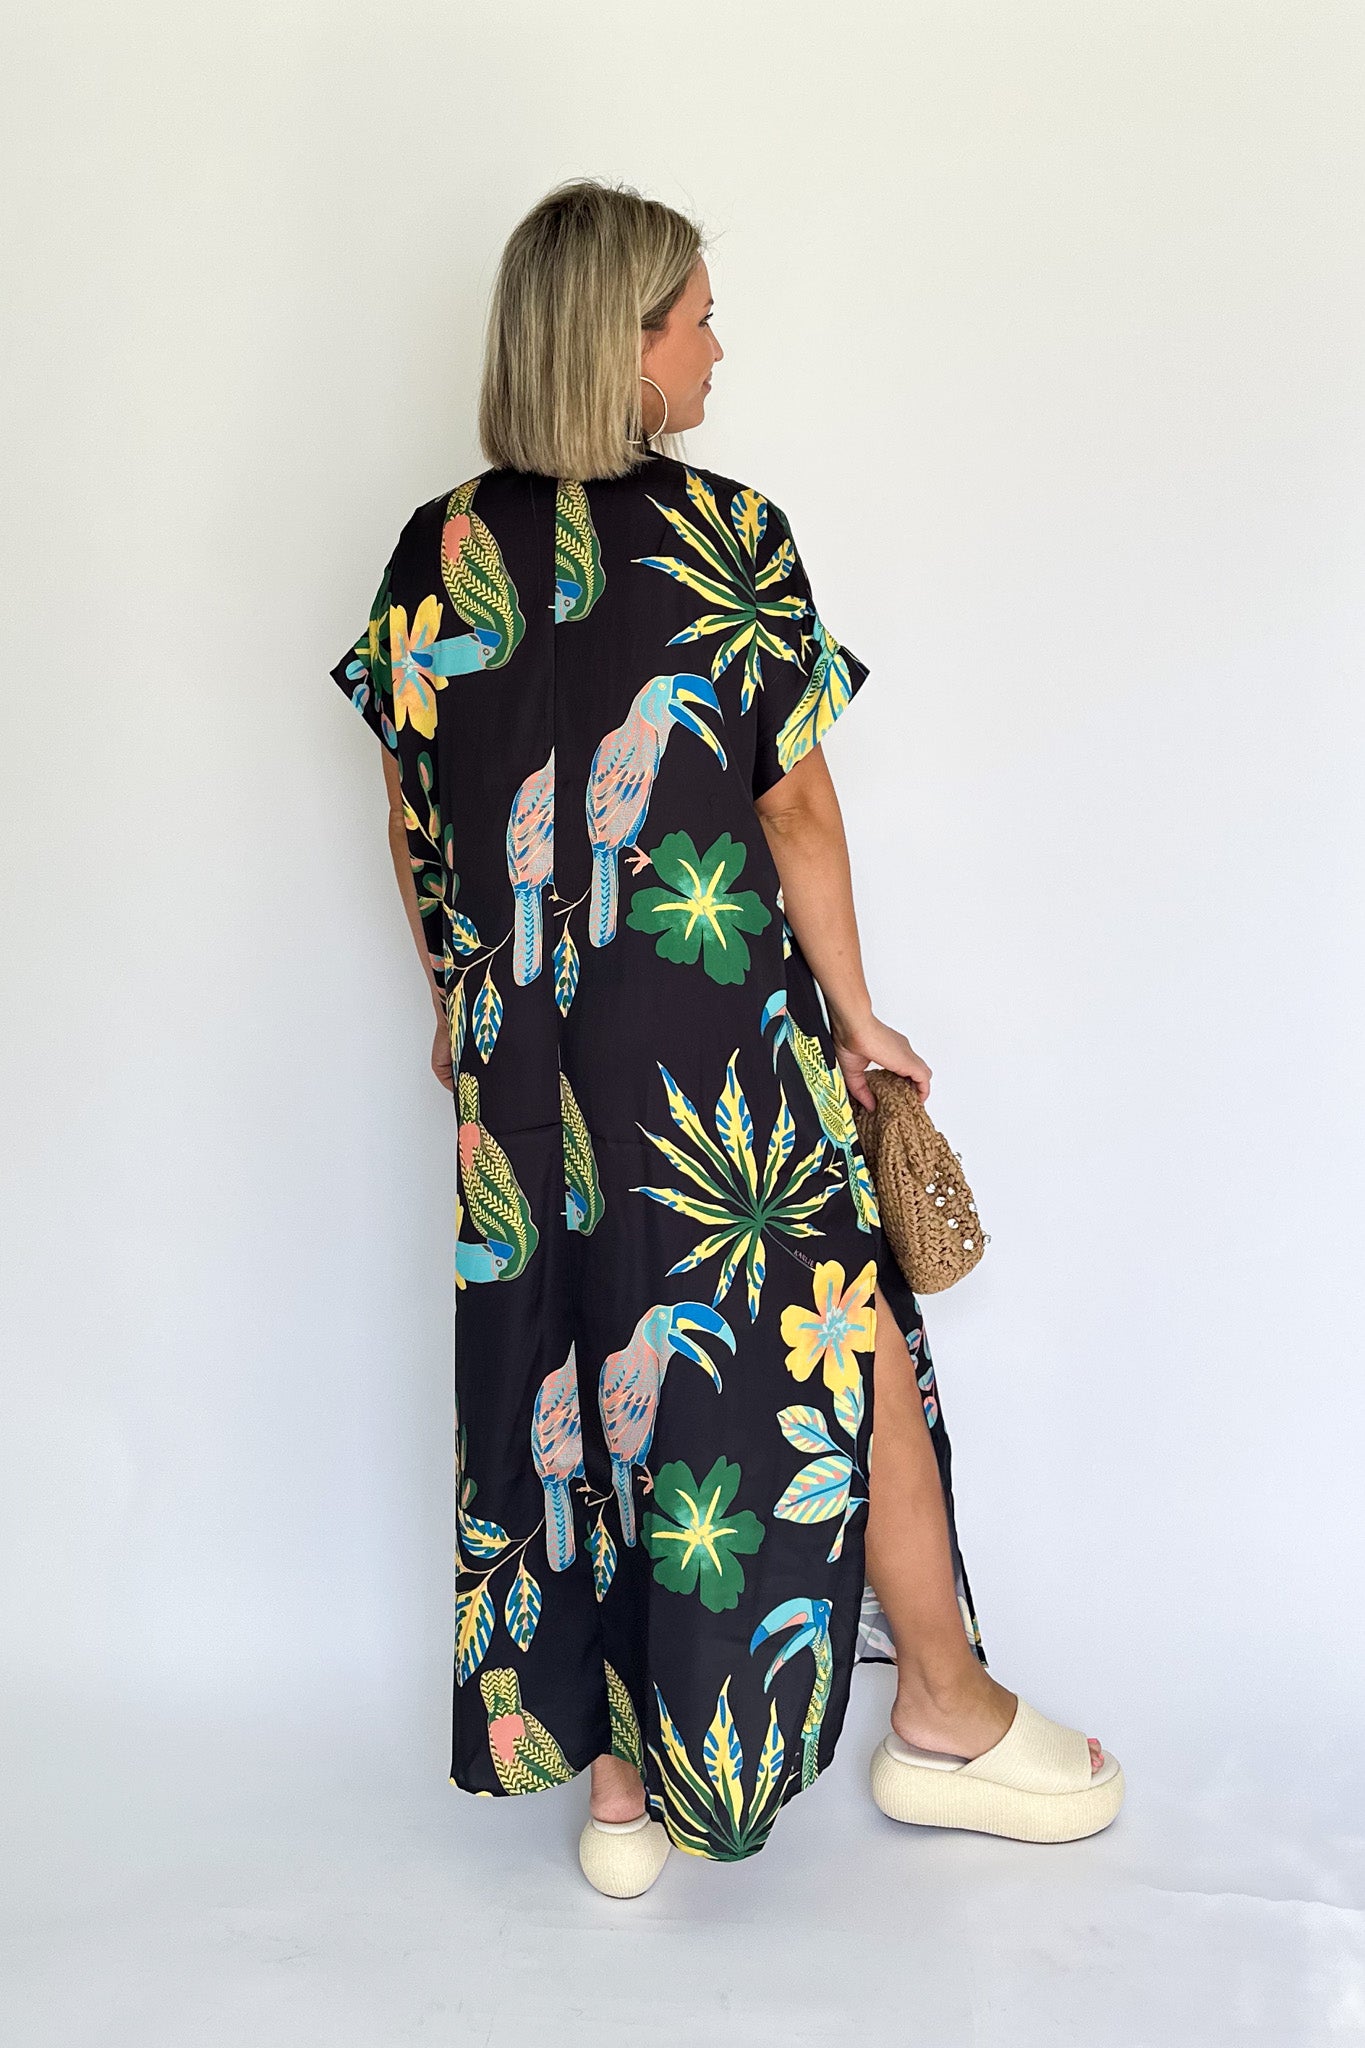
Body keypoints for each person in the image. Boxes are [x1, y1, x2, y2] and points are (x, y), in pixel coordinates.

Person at [329, 179, 1124, 1898]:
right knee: (844, 1339)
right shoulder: (728, 536)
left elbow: (415, 826)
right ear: (621, 345)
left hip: (517, 1068)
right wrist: (857, 1017)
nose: (716, 346)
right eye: (695, 315)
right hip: (710, 1053)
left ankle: (617, 1789)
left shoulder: (427, 553)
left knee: (571, 1376)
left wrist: (462, 1008)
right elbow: (795, 811)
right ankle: (943, 1710)